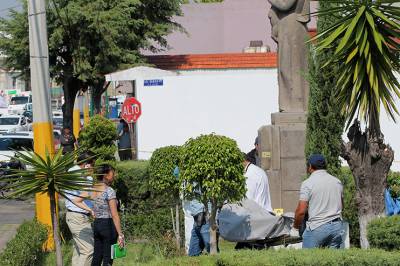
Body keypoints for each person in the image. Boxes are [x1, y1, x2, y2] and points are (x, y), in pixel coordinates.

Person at [74, 164, 124, 266]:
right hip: (108, 225)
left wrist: (90, 210)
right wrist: (120, 234)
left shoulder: (92, 189)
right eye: (112, 174)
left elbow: (76, 200)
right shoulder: (109, 191)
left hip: (97, 225)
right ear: (106, 175)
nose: (114, 176)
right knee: (108, 258)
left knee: (97, 256)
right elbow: (114, 215)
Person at [291, 154, 344, 249]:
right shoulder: (337, 182)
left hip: (317, 227)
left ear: (310, 166)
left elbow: (301, 211)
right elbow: (341, 205)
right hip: (337, 227)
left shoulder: (307, 183)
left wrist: (295, 228)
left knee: (308, 260)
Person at [64, 153, 94, 266]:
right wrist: (91, 210)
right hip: (78, 217)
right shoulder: (78, 175)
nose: (93, 168)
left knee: (78, 249)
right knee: (88, 250)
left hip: (74, 216)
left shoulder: (73, 172)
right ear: (86, 164)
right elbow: (79, 199)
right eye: (92, 164)